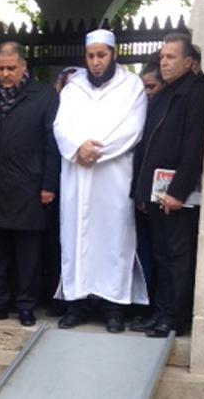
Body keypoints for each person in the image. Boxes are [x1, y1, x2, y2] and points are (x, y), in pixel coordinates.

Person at [53, 29, 149, 333]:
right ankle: (76, 303)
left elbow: (133, 129)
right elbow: (60, 126)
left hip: (113, 178)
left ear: (113, 54)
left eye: (101, 55)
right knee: (76, 238)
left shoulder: (132, 86)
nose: (95, 62)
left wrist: (96, 151)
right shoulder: (73, 88)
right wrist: (77, 148)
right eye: (91, 56)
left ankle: (113, 307)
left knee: (113, 239)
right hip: (77, 176)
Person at [0, 41, 60, 327]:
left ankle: (26, 305)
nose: (5, 74)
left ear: (24, 67)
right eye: (0, 68)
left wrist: (49, 185)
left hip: (28, 187)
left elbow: (52, 145)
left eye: (11, 68)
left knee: (27, 254)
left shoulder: (43, 96)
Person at [130, 32, 204, 337]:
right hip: (154, 192)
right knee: (162, 255)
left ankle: (174, 318)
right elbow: (147, 145)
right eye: (162, 57)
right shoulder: (164, 93)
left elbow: (193, 147)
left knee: (177, 256)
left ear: (189, 62)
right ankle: (160, 312)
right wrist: (140, 191)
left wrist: (177, 191)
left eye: (171, 57)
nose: (163, 62)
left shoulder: (195, 92)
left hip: (176, 195)